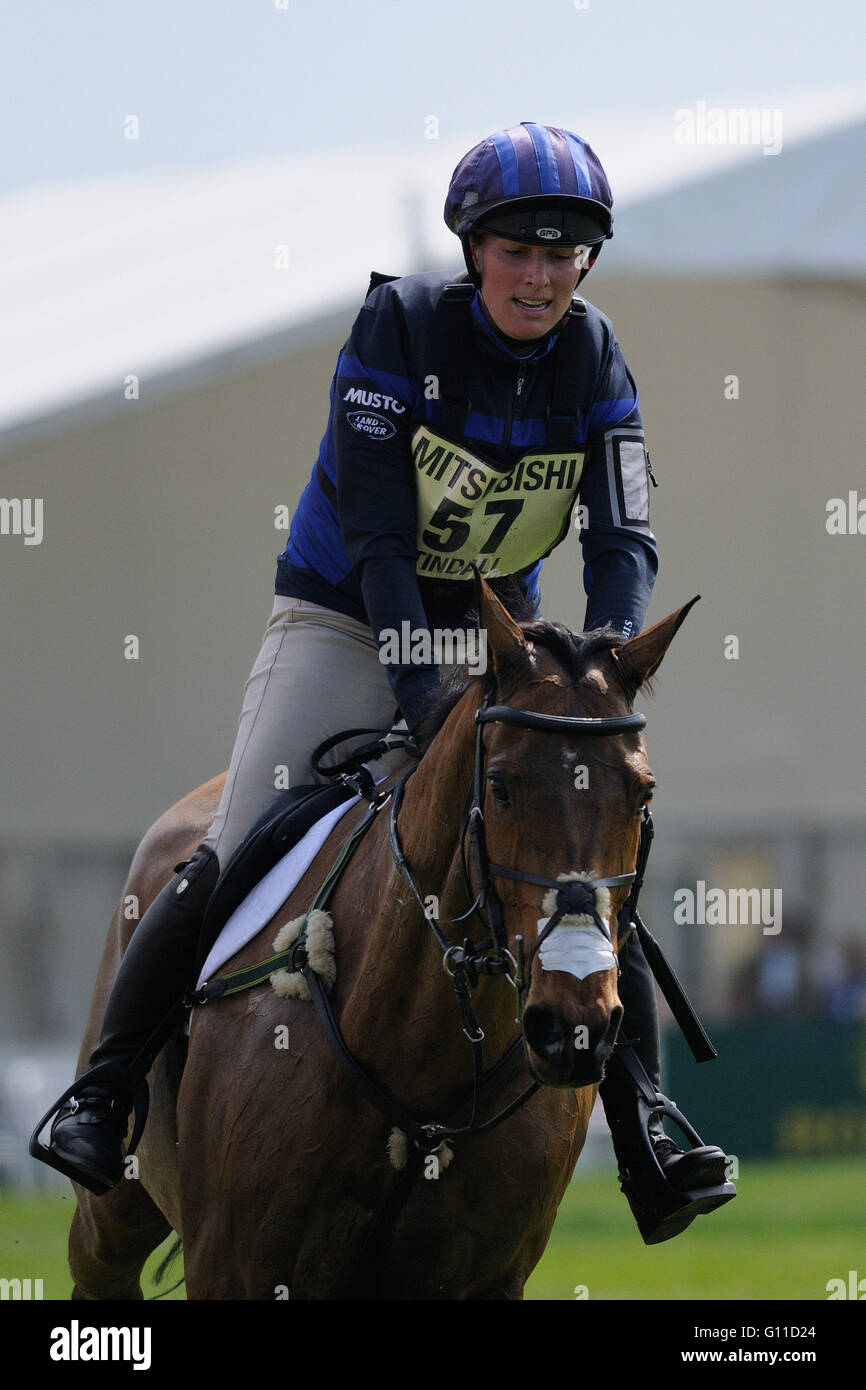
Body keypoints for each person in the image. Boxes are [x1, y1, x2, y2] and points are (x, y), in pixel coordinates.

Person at [35, 122, 733, 1243]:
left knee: (574, 861)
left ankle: (645, 1119)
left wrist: (597, 662)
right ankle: (107, 1094)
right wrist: (417, 697)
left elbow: (622, 539)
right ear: (471, 247)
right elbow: (377, 539)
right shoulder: (398, 325)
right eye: (517, 249)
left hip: (493, 639)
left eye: (565, 255)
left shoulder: (594, 356)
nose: (541, 275)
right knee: (235, 844)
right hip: (346, 619)